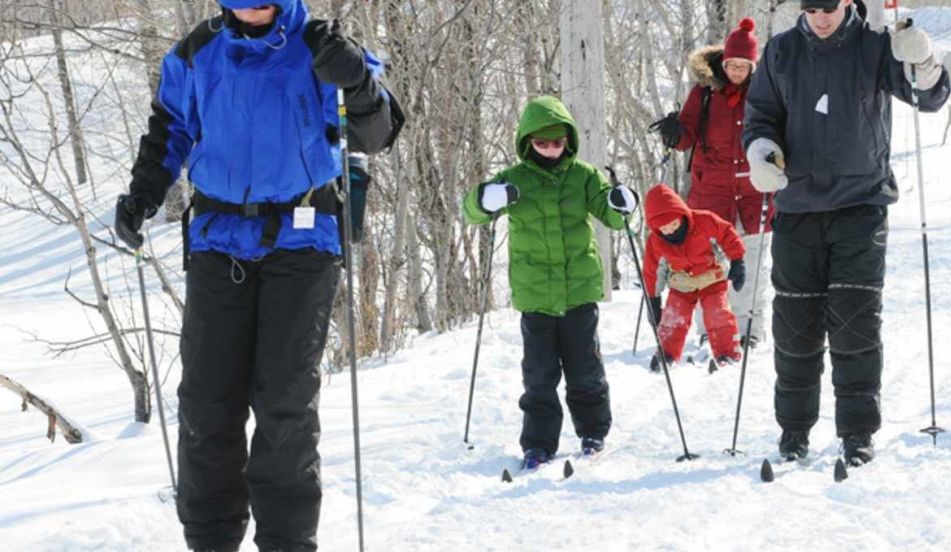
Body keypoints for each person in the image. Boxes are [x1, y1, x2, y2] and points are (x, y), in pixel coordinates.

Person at [114, 2, 400, 550]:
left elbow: (375, 135)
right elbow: (170, 126)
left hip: (303, 238)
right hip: (218, 239)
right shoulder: (197, 51)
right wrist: (144, 192)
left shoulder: (321, 46)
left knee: (284, 402)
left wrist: (358, 84)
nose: (253, 8)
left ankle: (287, 542)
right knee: (207, 402)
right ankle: (210, 540)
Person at [742, 0, 950, 467]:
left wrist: (922, 60)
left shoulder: (874, 47)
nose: (821, 17)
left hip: (860, 204)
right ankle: (794, 431)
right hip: (797, 207)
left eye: (829, 7)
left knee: (855, 324)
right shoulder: (781, 52)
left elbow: (930, 99)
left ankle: (857, 433)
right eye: (811, 8)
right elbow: (760, 117)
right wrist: (761, 151)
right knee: (795, 328)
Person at [461, 96, 637, 469]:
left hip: (578, 293)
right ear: (528, 142)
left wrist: (623, 203)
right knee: (539, 376)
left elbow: (612, 216)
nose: (551, 149)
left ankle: (593, 432)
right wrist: (486, 199)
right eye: (542, 143)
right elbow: (472, 213)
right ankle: (538, 443)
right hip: (536, 296)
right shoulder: (513, 180)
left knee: (585, 371)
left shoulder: (584, 176)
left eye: (558, 142)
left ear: (568, 140)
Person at [650, 17, 772, 352]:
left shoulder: (765, 93)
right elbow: (686, 136)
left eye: (743, 66)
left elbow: (777, 130)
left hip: (753, 194)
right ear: (723, 63)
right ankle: (711, 331)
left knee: (751, 266)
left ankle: (748, 330)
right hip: (710, 197)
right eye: (731, 65)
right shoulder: (704, 94)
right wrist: (675, 133)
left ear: (753, 66)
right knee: (708, 267)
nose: (736, 71)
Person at [641, 184, 747, 370]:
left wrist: (738, 261)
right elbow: (651, 270)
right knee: (673, 317)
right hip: (681, 284)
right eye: (664, 229)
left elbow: (727, 234)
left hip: (712, 279)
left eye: (674, 224)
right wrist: (653, 299)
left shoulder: (703, 220)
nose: (671, 231)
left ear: (682, 214)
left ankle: (727, 354)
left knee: (718, 315)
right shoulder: (655, 241)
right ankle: (667, 355)